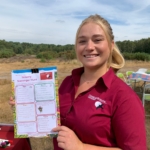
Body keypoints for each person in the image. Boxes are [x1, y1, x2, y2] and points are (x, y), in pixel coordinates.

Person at [9, 14, 147, 150]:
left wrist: (81, 147)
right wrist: (25, 110)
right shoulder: (67, 83)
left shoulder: (125, 97)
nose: (89, 47)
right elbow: (51, 120)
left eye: (97, 40)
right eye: (82, 41)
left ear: (111, 46)